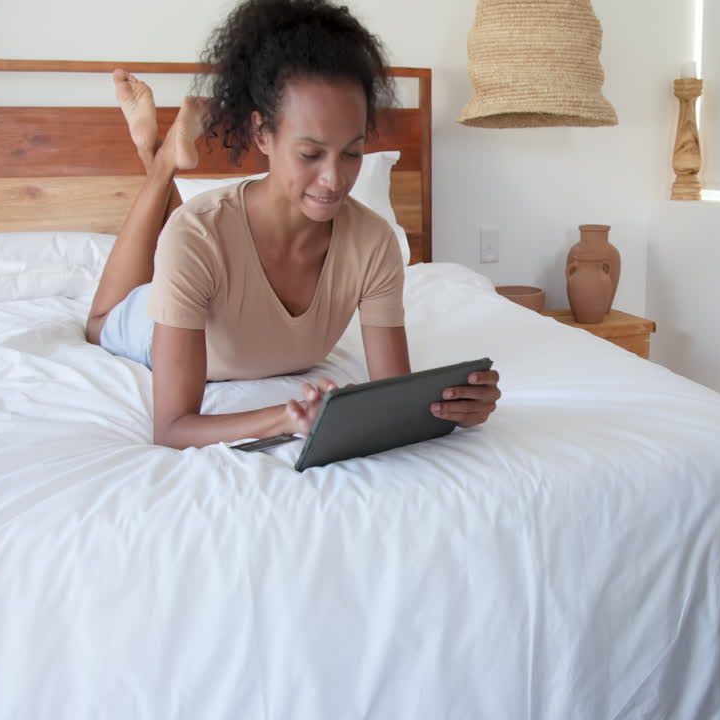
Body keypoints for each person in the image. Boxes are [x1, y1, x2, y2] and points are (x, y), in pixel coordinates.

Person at [85, 0, 501, 449]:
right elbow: (171, 429)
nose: (334, 179)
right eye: (310, 154)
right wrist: (286, 418)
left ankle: (160, 155)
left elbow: (391, 396)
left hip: (209, 274)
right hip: (159, 320)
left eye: (352, 152)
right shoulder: (196, 233)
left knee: (194, 240)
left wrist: (453, 408)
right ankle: (162, 160)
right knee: (98, 321)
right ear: (263, 134)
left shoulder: (375, 243)